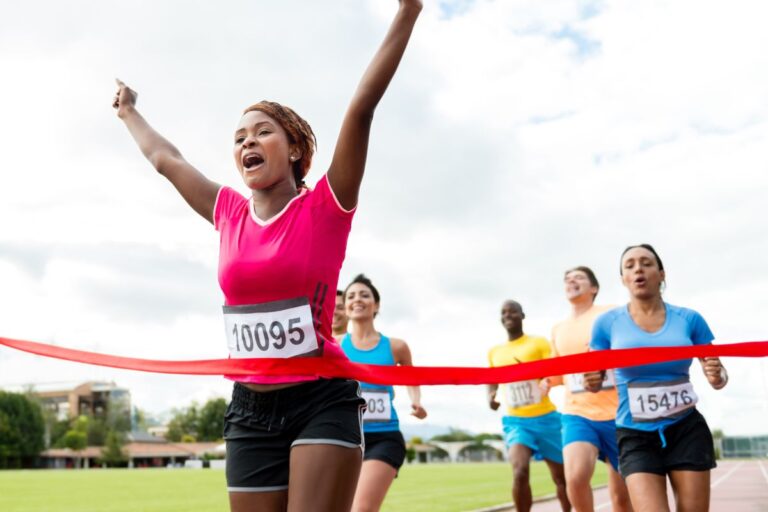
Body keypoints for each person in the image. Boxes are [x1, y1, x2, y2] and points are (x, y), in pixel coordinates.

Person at [112, 2, 422, 510]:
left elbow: (360, 107)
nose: (247, 142)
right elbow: (167, 160)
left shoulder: (326, 205)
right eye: (239, 138)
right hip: (249, 409)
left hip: (321, 398)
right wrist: (128, 111)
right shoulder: (227, 211)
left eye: (261, 132)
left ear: (296, 149)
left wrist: (408, 10)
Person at [585, 244, 728, 512]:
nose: (638, 268)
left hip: (686, 429)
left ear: (661, 274)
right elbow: (592, 381)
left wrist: (718, 374)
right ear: (623, 279)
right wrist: (590, 380)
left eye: (646, 263)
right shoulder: (606, 324)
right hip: (635, 435)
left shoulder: (689, 318)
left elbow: (718, 374)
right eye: (630, 265)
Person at [340, 274, 427, 512]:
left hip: (384, 437)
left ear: (376, 305)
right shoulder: (336, 346)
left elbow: (412, 378)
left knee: (361, 509)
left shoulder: (396, 346)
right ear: (345, 307)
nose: (357, 299)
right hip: (344, 439)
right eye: (351, 296)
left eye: (364, 295)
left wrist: (416, 402)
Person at [549, 267, 632, 512]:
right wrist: (546, 381)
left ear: (593, 288)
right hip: (578, 413)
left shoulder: (609, 314)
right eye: (567, 278)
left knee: (622, 499)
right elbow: (559, 372)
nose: (571, 280)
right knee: (575, 478)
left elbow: (626, 347)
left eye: (579, 277)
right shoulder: (558, 329)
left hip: (619, 415)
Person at [487, 300, 570, 512]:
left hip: (546, 419)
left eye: (512, 311)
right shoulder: (495, 351)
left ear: (522, 315)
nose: (508, 315)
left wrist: (546, 381)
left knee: (562, 478)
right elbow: (490, 379)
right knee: (520, 471)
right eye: (503, 312)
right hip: (516, 421)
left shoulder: (538, 343)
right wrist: (491, 396)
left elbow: (552, 370)